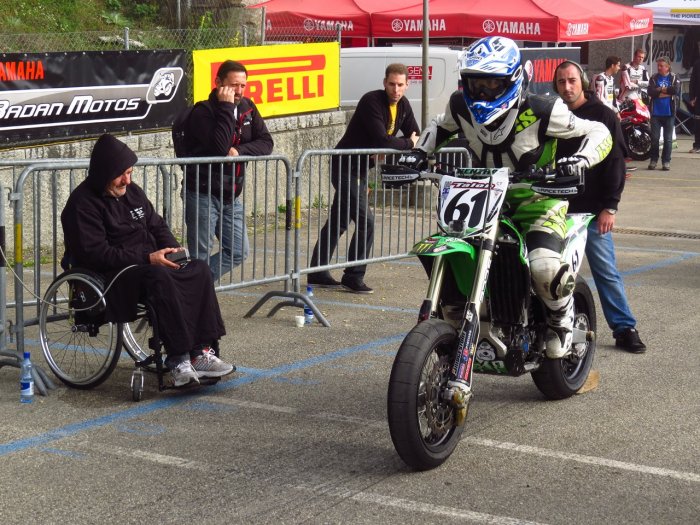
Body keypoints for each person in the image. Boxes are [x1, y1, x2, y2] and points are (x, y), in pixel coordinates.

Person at [404, 36, 611, 362]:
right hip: (483, 199)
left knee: (544, 267)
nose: (482, 92)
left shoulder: (542, 109)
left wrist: (580, 160)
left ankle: (560, 318)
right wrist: (418, 154)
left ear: (513, 79)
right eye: (475, 83)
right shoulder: (460, 106)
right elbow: (440, 126)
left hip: (537, 201)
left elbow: (599, 131)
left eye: (492, 84)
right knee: (450, 251)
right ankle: (457, 313)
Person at [61, 134, 235, 387]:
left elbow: (157, 225)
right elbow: (96, 254)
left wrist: (173, 249)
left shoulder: (132, 192)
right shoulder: (82, 204)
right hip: (115, 274)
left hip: (149, 262)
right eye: (121, 175)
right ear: (104, 173)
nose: (127, 180)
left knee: (198, 269)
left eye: (129, 173)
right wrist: (148, 258)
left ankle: (200, 352)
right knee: (160, 277)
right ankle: (178, 359)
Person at [554, 61, 647, 354]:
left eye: (572, 80)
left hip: (593, 212)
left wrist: (611, 207)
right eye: (561, 82)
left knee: (605, 272)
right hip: (556, 209)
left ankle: (625, 328)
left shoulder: (603, 115)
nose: (567, 87)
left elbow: (616, 163)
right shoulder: (552, 116)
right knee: (550, 273)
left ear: (582, 82)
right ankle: (553, 328)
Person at [307, 63, 420, 294]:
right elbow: (385, 140)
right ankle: (353, 276)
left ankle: (317, 271)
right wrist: (406, 143)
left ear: (407, 85)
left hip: (360, 168)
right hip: (344, 164)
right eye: (391, 84)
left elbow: (417, 133)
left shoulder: (404, 105)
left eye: (400, 85)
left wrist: (397, 144)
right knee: (366, 221)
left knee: (339, 221)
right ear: (384, 83)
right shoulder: (371, 101)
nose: (396, 90)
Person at [182, 60, 274, 282]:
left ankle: (193, 287)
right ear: (218, 83)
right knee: (200, 256)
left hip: (231, 196)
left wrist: (239, 151)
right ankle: (193, 293)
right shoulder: (202, 112)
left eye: (243, 85)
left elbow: (266, 142)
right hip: (202, 194)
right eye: (234, 85)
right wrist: (226, 107)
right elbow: (219, 148)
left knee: (238, 251)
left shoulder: (248, 108)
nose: (239, 91)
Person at [647, 56, 681, 171]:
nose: (659, 68)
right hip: (656, 113)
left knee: (668, 139)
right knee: (654, 139)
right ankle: (653, 160)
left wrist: (659, 89)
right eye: (658, 65)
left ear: (667, 67)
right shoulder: (654, 77)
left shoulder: (674, 77)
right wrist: (666, 91)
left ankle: (666, 161)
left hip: (669, 113)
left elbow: (675, 90)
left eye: (661, 66)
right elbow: (650, 91)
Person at [688, 50, 700, 154]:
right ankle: (697, 146)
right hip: (698, 98)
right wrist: (692, 97)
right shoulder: (697, 63)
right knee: (698, 123)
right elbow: (692, 81)